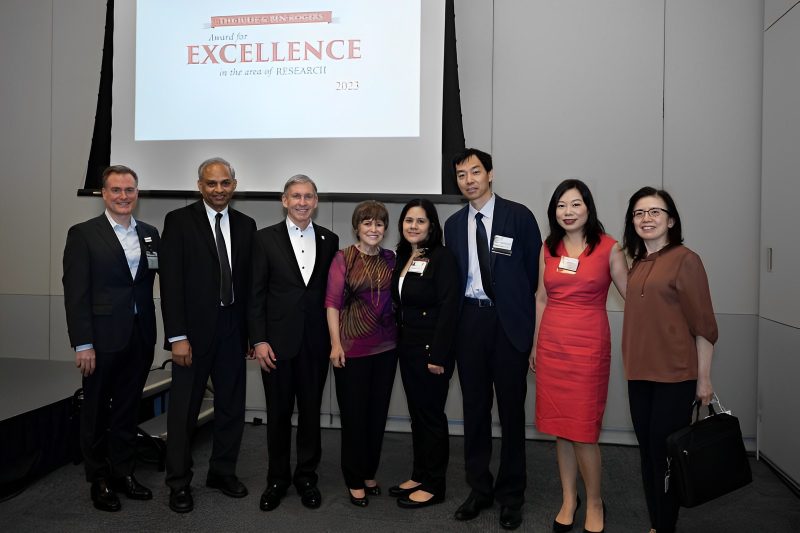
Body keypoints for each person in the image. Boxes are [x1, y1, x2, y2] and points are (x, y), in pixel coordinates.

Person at [443, 148, 542, 530]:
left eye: (475, 172)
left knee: (512, 414)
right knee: (475, 410)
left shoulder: (519, 216)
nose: (469, 180)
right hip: (470, 323)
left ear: (490, 174)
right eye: (461, 175)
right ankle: (479, 488)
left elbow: (535, 278)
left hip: (509, 326)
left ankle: (512, 495)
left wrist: (524, 320)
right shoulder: (453, 225)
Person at [160, 157, 256, 513]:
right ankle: (179, 482)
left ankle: (222, 472)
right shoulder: (179, 221)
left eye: (225, 183)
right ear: (200, 186)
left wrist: (250, 334)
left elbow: (247, 286)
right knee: (183, 412)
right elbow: (170, 284)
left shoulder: (247, 225)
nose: (219, 190)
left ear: (234, 184)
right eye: (211, 183)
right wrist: (177, 337)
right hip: (193, 336)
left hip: (233, 330)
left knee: (231, 407)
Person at [530, 179, 627, 533]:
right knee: (560, 427)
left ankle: (595, 500)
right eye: (561, 206)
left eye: (575, 204)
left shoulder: (609, 248)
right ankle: (570, 498)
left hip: (588, 347)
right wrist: (535, 345)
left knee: (584, 430)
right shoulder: (548, 247)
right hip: (552, 344)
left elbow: (633, 295)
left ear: (588, 207)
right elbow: (541, 298)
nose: (567, 212)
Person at [62, 165, 159, 511]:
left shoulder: (149, 233)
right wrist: (83, 343)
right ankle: (99, 478)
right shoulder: (84, 234)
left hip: (140, 335)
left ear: (137, 193)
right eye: (115, 190)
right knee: (96, 410)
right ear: (103, 194)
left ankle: (124, 472)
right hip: (101, 340)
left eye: (129, 190)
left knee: (128, 409)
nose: (123, 196)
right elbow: (75, 292)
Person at [621, 187, 718, 533]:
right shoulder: (637, 264)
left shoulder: (685, 259)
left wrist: (703, 379)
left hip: (675, 378)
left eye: (654, 212)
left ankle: (665, 525)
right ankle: (657, 523)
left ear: (671, 220)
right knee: (648, 454)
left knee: (665, 457)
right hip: (638, 375)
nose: (646, 219)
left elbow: (703, 326)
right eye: (638, 213)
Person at [249, 175, 339, 512]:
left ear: (316, 201)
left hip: (315, 345)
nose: (302, 202)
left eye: (309, 196)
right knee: (278, 415)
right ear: (284, 200)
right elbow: (255, 294)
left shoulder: (330, 239)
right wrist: (258, 339)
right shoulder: (263, 239)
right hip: (276, 345)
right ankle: (277, 480)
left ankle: (306, 477)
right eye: (296, 196)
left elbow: (330, 296)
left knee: (312, 415)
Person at [325, 201, 397, 507]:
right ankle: (354, 478)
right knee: (354, 417)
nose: (373, 229)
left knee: (376, 415)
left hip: (387, 348)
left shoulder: (392, 258)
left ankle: (369, 472)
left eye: (379, 224)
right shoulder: (343, 258)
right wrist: (335, 344)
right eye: (367, 223)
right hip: (351, 350)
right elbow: (331, 303)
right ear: (357, 226)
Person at [389, 199, 460, 509]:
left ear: (432, 225)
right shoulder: (404, 255)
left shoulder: (442, 258)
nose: (413, 226)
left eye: (420, 221)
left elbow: (449, 308)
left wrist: (439, 356)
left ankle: (435, 484)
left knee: (431, 416)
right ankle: (420, 474)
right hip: (407, 347)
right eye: (408, 220)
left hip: (432, 350)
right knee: (417, 415)